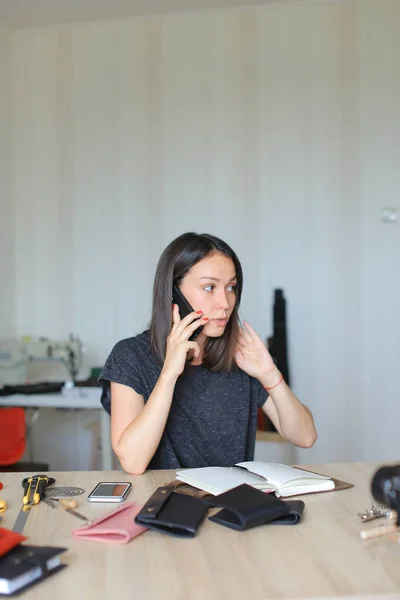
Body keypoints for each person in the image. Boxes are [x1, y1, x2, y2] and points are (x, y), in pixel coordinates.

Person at [99, 232, 317, 474]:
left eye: (231, 287)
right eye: (209, 287)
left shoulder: (240, 358)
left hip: (231, 505)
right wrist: (169, 373)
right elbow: (133, 461)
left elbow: (305, 437)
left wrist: (269, 374)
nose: (225, 302)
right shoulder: (130, 357)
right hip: (161, 504)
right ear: (174, 294)